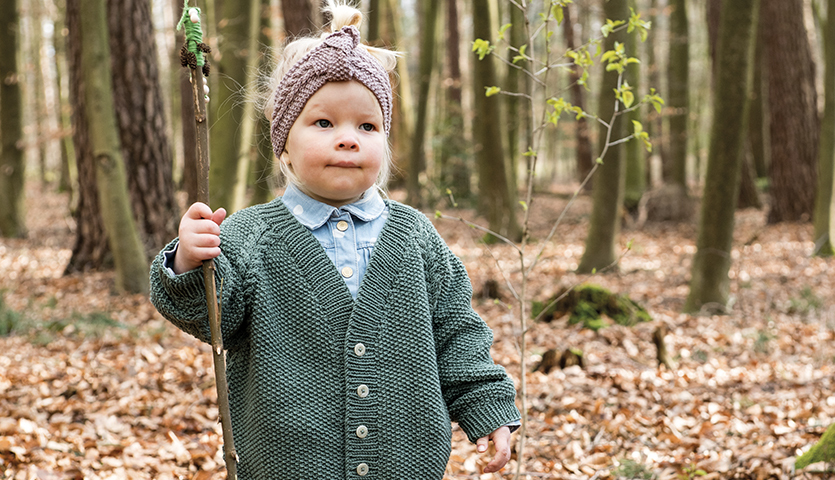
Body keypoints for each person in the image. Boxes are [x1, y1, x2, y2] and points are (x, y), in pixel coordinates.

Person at [150, 2, 520, 478]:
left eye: (367, 126)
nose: (348, 139)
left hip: (404, 464)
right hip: (288, 465)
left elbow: (457, 332)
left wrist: (486, 408)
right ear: (283, 140)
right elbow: (210, 317)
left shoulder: (415, 236)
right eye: (324, 123)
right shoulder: (247, 237)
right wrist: (188, 261)